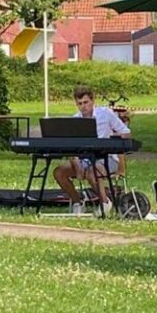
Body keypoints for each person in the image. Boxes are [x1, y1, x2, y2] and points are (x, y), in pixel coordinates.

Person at [53, 85, 132, 217]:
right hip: (84, 160)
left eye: (86, 102)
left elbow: (126, 133)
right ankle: (78, 202)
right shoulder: (75, 120)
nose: (83, 106)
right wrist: (77, 165)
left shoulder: (105, 114)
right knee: (59, 172)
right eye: (79, 104)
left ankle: (105, 202)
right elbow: (71, 146)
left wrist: (113, 140)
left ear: (92, 101)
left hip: (107, 159)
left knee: (92, 171)